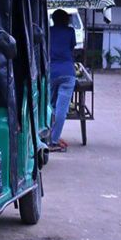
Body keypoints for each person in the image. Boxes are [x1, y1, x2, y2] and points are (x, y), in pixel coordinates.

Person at [48, 8, 77, 151]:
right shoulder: (70, 31)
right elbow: (72, 48)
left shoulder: (48, 31)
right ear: (66, 20)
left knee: (49, 105)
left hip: (51, 72)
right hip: (68, 72)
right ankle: (53, 140)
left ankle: (45, 135)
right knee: (62, 108)